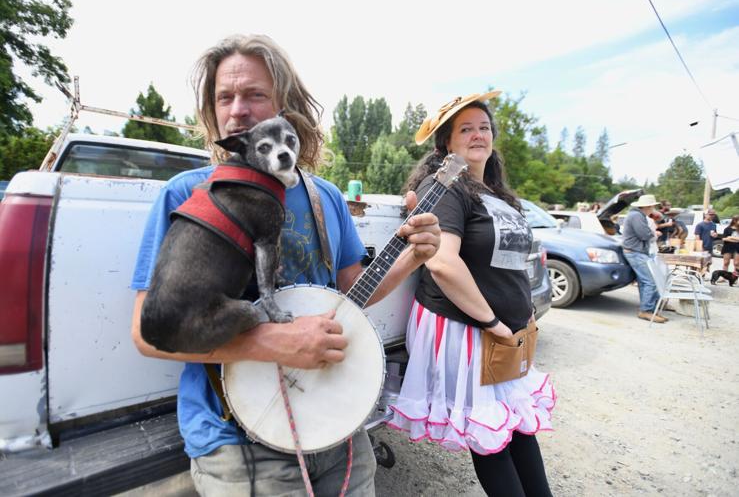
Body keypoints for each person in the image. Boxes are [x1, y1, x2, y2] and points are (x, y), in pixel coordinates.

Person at [129, 34, 441, 496]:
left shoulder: (327, 197)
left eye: (255, 94)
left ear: (284, 106)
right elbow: (147, 334)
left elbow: (354, 290)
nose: (237, 109)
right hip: (237, 439)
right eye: (224, 97)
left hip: (337, 424)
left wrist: (414, 255)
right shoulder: (189, 194)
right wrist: (276, 341)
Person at [387, 92, 555, 497]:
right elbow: (443, 262)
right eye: (466, 128)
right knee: (490, 438)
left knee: (516, 426)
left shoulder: (496, 194)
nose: (478, 134)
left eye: (484, 127)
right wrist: (493, 323)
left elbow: (512, 265)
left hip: (504, 330)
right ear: (446, 142)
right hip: (464, 328)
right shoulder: (443, 186)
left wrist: (524, 317)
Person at [621, 194, 668, 323]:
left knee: (645, 281)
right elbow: (644, 235)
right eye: (652, 206)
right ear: (648, 206)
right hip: (634, 251)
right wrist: (653, 233)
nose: (653, 209)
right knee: (650, 281)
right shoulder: (637, 216)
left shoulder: (637, 215)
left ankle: (649, 309)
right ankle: (646, 311)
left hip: (635, 251)